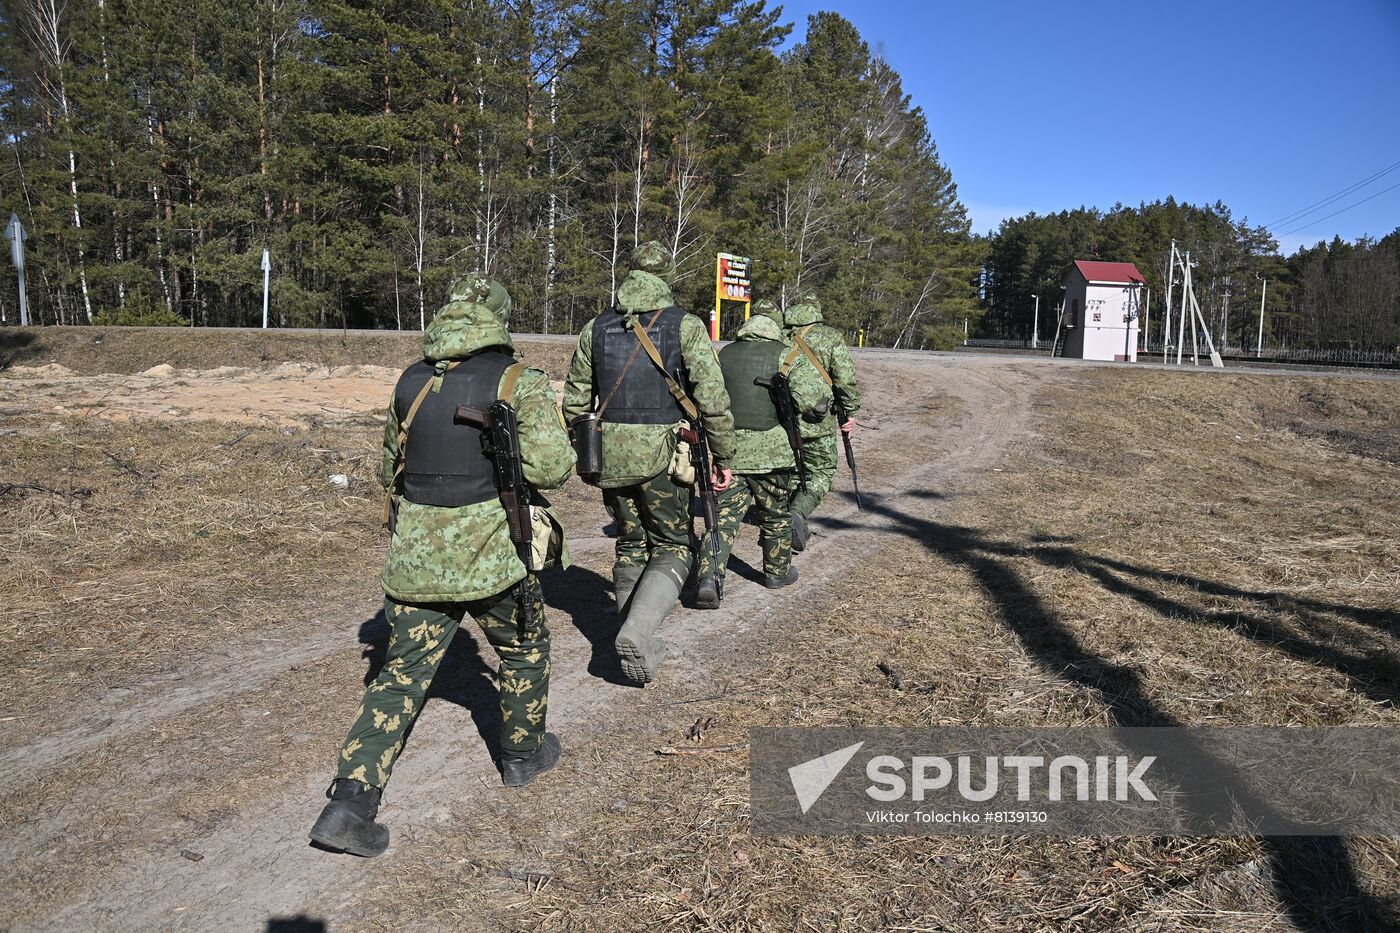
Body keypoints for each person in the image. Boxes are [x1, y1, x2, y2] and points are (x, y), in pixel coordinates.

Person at [310, 293, 574, 858]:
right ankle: (522, 756)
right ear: (500, 321)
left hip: (416, 557)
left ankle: (349, 804)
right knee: (526, 651)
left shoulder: (411, 381)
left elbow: (390, 468)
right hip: (494, 553)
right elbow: (554, 468)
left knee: (400, 676)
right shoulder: (517, 381)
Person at [562, 241, 735, 685]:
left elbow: (576, 401)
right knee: (675, 544)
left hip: (609, 456)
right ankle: (638, 631)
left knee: (630, 544)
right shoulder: (685, 325)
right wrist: (723, 454)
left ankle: (630, 633)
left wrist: (587, 450)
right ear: (667, 277)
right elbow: (712, 398)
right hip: (664, 453)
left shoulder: (596, 328)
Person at [695, 307, 830, 607]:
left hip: (729, 452)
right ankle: (777, 572)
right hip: (774, 455)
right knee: (776, 515)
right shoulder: (787, 356)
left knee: (723, 519)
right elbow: (812, 400)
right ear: (774, 331)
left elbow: (704, 398)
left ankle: (709, 577)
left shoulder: (723, 355)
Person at [783, 292, 861, 549]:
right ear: (816, 310)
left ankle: (794, 522)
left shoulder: (780, 333)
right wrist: (850, 411)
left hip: (783, 418)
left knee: (795, 471)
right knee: (822, 471)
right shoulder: (829, 336)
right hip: (818, 420)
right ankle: (798, 513)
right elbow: (844, 378)